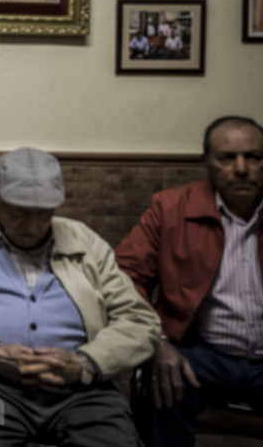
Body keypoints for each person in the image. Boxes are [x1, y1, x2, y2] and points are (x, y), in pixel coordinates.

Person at [0, 147, 161, 446]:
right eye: (19, 212)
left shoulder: (84, 240)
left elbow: (140, 321)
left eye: (43, 214)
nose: (31, 225)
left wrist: (85, 364)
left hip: (79, 392)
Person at [114, 115, 263, 447]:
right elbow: (123, 275)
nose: (241, 168)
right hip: (201, 353)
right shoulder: (170, 208)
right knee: (163, 383)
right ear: (207, 162)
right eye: (227, 157)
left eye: (254, 157)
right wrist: (157, 340)